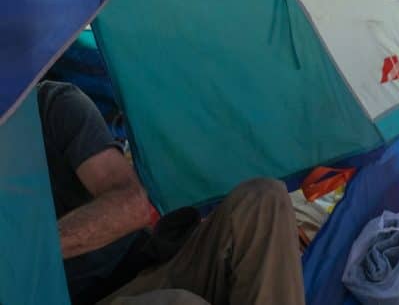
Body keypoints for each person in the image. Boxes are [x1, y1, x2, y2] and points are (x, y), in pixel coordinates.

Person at [37, 80, 305, 305]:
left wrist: (32, 249)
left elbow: (131, 206)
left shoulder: (50, 105)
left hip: (152, 264)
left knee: (264, 199)